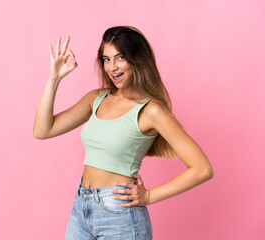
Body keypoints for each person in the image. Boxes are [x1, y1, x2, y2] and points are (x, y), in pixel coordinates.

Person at [33, 26, 214, 240]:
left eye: (120, 58)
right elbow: (43, 130)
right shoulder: (97, 98)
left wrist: (149, 196)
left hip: (120, 214)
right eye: (106, 59)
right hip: (82, 205)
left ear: (137, 59)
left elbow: (203, 169)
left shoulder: (151, 110)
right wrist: (54, 78)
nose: (112, 67)